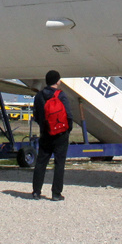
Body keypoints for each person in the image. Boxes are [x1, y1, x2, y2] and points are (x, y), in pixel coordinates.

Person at [31, 70, 72, 200]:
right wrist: (67, 130)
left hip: (45, 134)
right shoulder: (61, 95)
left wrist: (44, 127)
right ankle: (56, 194)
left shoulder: (39, 96)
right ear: (57, 81)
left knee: (41, 162)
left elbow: (36, 116)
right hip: (60, 134)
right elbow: (69, 115)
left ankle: (36, 191)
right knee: (59, 164)